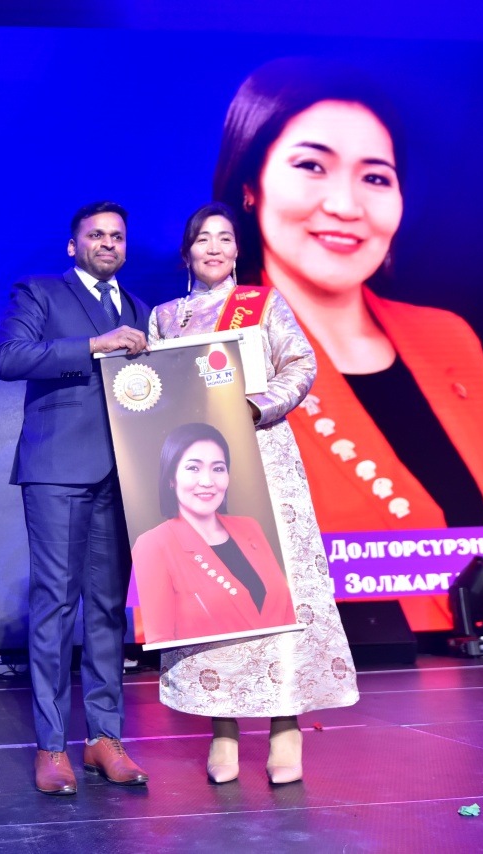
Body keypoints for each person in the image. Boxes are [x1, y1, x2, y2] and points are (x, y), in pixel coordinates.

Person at [210, 57, 483, 632]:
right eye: (312, 166)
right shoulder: (209, 348)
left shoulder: (448, 338)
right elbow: (186, 573)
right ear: (250, 187)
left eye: (376, 177)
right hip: (331, 687)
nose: (346, 206)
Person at [149, 201, 358, 785]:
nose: (214, 248)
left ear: (237, 249)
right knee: (212, 587)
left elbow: (300, 364)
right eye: (202, 239)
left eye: (224, 238)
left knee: (274, 585)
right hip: (199, 470)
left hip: (263, 455)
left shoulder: (263, 304)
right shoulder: (164, 319)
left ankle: (286, 725)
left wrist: (254, 407)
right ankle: (223, 729)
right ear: (187, 252)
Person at [0, 201, 152, 796]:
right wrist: (93, 345)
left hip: (124, 476)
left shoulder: (140, 310)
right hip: (58, 471)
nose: (108, 243)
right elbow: (9, 358)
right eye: (96, 235)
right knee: (57, 606)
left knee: (109, 610)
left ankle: (105, 739)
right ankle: (53, 745)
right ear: (73, 245)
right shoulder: (39, 293)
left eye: (117, 236)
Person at [132, 423, 296, 643]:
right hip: (209, 665)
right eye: (193, 468)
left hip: (281, 661)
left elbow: (287, 611)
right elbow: (159, 640)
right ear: (171, 478)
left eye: (218, 469)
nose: (208, 481)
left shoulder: (250, 528)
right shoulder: (153, 545)